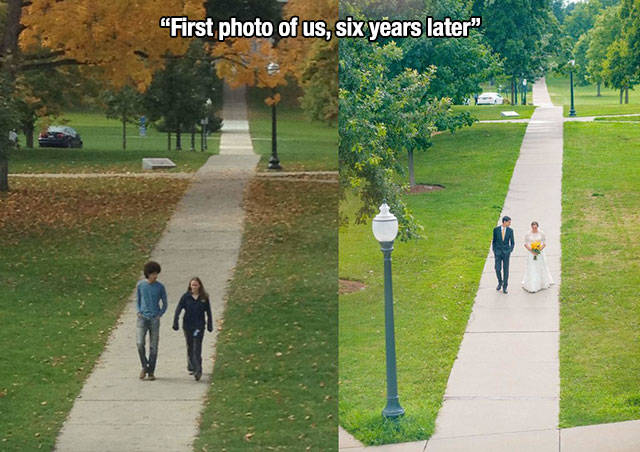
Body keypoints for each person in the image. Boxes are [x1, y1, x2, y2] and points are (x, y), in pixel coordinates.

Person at [172, 277, 213, 381]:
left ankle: (198, 369)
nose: (194, 287)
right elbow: (179, 309)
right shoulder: (186, 297)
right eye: (192, 285)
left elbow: (208, 312)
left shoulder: (204, 297)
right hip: (188, 325)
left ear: (199, 286)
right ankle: (192, 365)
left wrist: (209, 324)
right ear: (189, 286)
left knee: (197, 346)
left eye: (195, 285)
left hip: (199, 326)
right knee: (190, 346)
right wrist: (175, 321)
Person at [136, 261, 167, 381]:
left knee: (153, 346)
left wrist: (160, 314)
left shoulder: (160, 287)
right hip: (142, 318)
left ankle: (151, 371)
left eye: (156, 274)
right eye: (153, 274)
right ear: (147, 274)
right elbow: (138, 300)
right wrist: (138, 311)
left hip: (154, 318)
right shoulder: (141, 285)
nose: (155, 276)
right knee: (140, 343)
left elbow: (164, 303)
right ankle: (145, 366)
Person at [522, 221, 554, 293]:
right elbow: (525, 244)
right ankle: (532, 284)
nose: (534, 229)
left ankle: (542, 283)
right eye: (533, 227)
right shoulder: (528, 234)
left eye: (535, 227)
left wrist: (538, 250)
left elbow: (544, 243)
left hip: (539, 252)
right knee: (532, 267)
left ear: (537, 227)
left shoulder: (541, 233)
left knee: (540, 266)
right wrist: (532, 251)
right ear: (531, 227)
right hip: (531, 253)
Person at [492, 216, 515, 294]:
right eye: (509, 222)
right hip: (497, 252)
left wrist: (510, 250)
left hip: (506, 253)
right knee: (497, 268)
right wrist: (494, 250)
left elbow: (512, 242)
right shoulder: (496, 230)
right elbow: (494, 241)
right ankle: (500, 282)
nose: (510, 223)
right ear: (504, 222)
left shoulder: (510, 231)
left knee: (506, 270)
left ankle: (505, 287)